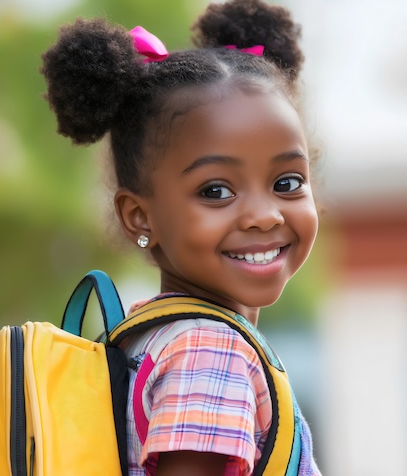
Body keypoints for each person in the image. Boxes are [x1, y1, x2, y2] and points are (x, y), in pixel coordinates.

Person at [40, 0, 321, 474]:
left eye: (287, 182)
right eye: (216, 190)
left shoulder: (142, 333)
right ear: (139, 217)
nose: (264, 215)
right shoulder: (211, 351)